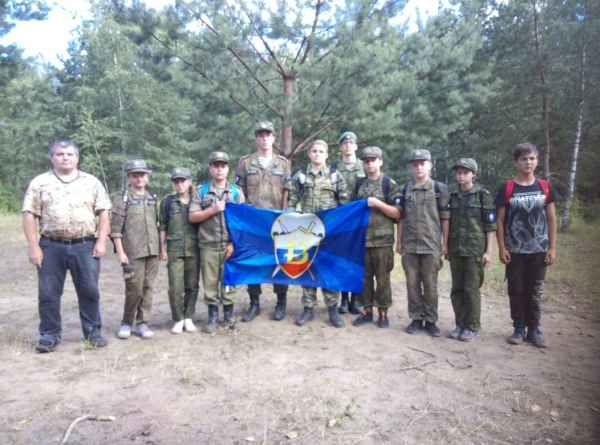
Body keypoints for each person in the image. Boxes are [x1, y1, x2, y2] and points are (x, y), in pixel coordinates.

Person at [22, 139, 111, 353]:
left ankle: (93, 332)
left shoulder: (91, 182)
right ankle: (49, 334)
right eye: (60, 154)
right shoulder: (39, 183)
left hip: (85, 245)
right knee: (48, 293)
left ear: (77, 158)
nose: (65, 157)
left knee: (89, 291)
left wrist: (100, 241)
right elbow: (29, 214)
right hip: (51, 246)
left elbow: (104, 212)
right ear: (52, 157)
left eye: (70, 154)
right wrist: (34, 247)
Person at [495, 143, 557, 348]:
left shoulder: (544, 187)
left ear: (537, 161)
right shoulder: (507, 188)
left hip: (539, 250)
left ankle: (535, 329)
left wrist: (552, 248)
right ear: (516, 162)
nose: (528, 162)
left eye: (531, 158)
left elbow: (551, 219)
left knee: (535, 290)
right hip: (515, 251)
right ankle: (519, 328)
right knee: (516, 289)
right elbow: (500, 220)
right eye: (523, 159)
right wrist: (502, 247)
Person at [288, 140, 350, 328]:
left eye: (321, 151)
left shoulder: (334, 176)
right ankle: (308, 309)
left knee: (329, 269)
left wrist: (341, 229)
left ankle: (332, 309)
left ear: (326, 154)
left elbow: (345, 205)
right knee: (307, 268)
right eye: (314, 151)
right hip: (306, 231)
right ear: (309, 153)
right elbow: (292, 200)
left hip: (329, 232)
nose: (317, 154)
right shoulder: (300, 176)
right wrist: (291, 221)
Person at [235, 122, 292, 322]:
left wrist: (286, 215)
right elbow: (238, 192)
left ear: (273, 138)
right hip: (253, 224)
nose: (265, 138)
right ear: (256, 139)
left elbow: (288, 191)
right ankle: (254, 304)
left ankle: (281, 302)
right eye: (261, 135)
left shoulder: (283, 164)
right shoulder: (245, 163)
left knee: (279, 261)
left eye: (268, 135)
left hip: (277, 223)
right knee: (254, 262)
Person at [396, 149, 450, 337]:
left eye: (422, 163)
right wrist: (399, 242)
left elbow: (445, 217)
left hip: (431, 244)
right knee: (412, 284)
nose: (419, 167)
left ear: (430, 165)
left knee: (430, 285)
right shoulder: (405, 189)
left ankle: (431, 320)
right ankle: (416, 318)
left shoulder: (439, 189)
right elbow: (401, 217)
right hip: (410, 244)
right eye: (415, 164)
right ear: (411, 167)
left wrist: (445, 244)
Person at [190, 152, 245, 333]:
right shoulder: (202, 191)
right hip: (208, 246)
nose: (219, 169)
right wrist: (212, 210)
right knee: (210, 283)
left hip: (229, 247)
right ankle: (212, 315)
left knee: (229, 281)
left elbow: (242, 222)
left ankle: (228, 315)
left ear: (228, 168)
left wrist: (234, 244)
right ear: (210, 168)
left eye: (223, 165)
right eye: (216, 165)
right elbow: (193, 216)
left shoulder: (236, 192)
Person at [351, 147, 402, 328]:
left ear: (380, 161)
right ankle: (366, 311)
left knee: (382, 279)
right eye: (367, 161)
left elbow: (397, 213)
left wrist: (377, 203)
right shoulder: (358, 185)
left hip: (383, 241)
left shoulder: (389, 184)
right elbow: (351, 211)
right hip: (362, 240)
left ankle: (382, 312)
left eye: (374, 160)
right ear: (363, 164)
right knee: (364, 278)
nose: (370, 163)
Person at [447, 158, 497, 342]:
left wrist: (489, 251)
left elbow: (490, 225)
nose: (461, 176)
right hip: (456, 249)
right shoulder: (452, 196)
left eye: (465, 172)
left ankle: (473, 326)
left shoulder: (482, 195)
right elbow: (448, 222)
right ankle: (460, 324)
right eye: (459, 172)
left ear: (473, 174)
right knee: (457, 289)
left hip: (475, 250)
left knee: (471, 289)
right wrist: (446, 247)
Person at [111, 159, 160, 340]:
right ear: (129, 177)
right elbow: (115, 229)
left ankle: (142, 323)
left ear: (147, 176)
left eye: (142, 174)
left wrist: (161, 249)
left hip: (152, 251)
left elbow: (157, 225)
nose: (139, 178)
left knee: (147, 287)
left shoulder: (152, 198)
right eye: (135, 175)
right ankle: (126, 322)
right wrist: (121, 252)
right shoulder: (122, 198)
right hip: (132, 252)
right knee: (134, 288)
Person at [158, 167, 200, 334]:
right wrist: (162, 248)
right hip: (174, 250)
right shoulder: (167, 202)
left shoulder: (197, 201)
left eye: (183, 181)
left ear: (189, 182)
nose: (180, 184)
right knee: (175, 286)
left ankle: (188, 316)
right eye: (176, 181)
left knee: (192, 285)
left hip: (194, 249)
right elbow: (162, 226)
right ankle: (178, 318)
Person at [335, 131, 365, 315]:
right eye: (344, 142)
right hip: (340, 221)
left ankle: (357, 300)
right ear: (340, 147)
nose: (348, 145)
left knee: (358, 260)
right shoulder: (333, 167)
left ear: (356, 146)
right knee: (342, 261)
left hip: (360, 220)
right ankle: (344, 300)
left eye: (351, 142)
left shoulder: (365, 166)